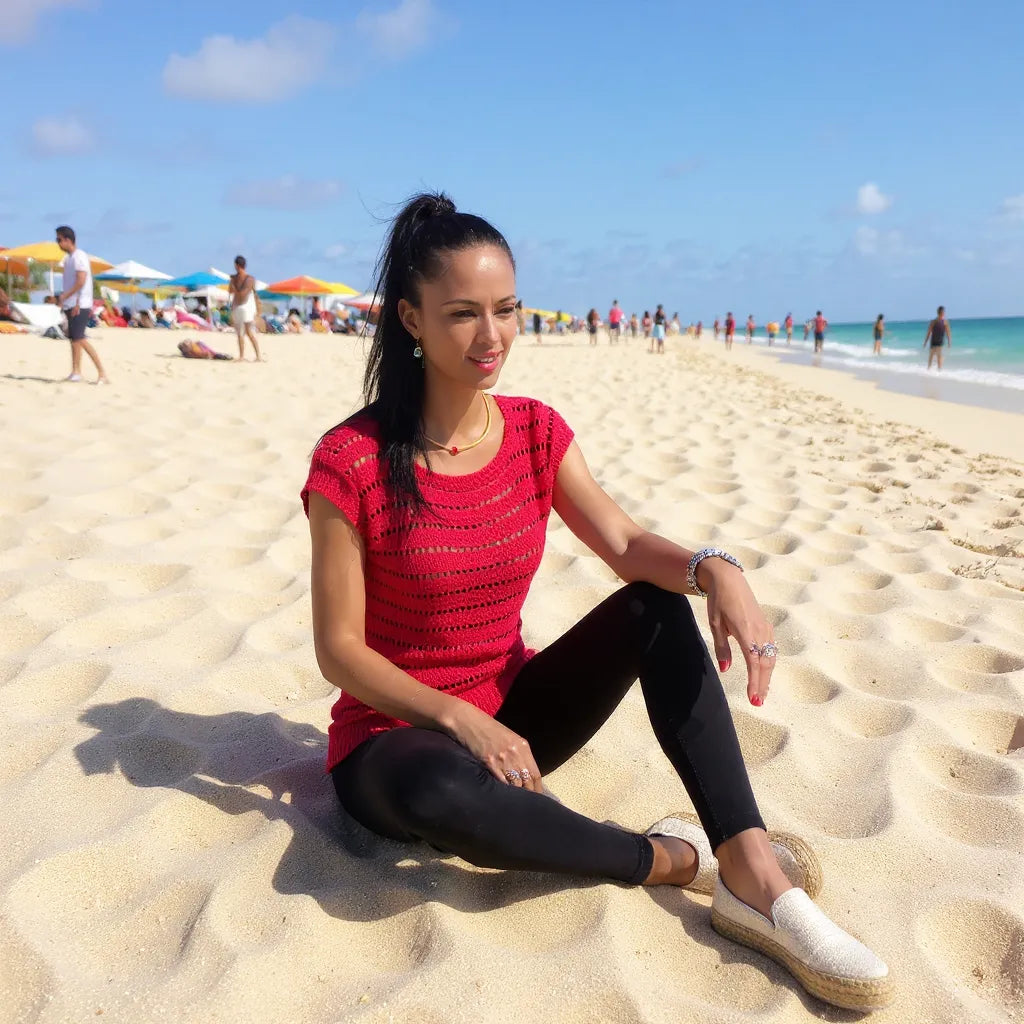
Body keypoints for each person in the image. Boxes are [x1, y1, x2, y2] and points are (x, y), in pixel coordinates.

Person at [302, 192, 892, 1013]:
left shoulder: (536, 432)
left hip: (516, 719)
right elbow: (340, 650)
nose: (493, 336)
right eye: (464, 314)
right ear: (411, 317)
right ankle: (668, 860)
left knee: (654, 605)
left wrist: (715, 567)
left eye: (506, 310)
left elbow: (621, 543)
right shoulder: (353, 460)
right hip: (397, 741)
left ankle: (752, 871)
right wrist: (458, 718)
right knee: (440, 794)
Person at [55, 225, 108, 384]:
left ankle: (102, 373)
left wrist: (67, 297)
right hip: (71, 303)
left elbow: (81, 280)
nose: (57, 243)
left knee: (80, 338)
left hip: (80, 304)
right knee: (74, 339)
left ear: (68, 240)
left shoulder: (79, 256)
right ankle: (76, 371)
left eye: (59, 240)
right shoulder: (68, 259)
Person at [227, 256, 264, 361]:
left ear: (236, 265)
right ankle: (250, 356)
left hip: (244, 307)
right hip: (241, 307)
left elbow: (241, 294)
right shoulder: (249, 279)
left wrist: (233, 284)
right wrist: (233, 283)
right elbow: (231, 291)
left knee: (245, 332)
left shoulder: (248, 279)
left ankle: (253, 356)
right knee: (243, 333)